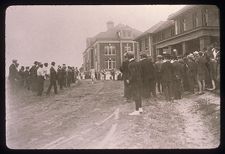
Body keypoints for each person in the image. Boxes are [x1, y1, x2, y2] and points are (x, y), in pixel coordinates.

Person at [127, 51, 143, 115]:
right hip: (139, 81)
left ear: (128, 57)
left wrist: (129, 80)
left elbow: (133, 74)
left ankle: (136, 110)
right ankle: (140, 108)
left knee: (135, 95)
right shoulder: (137, 63)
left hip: (135, 82)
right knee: (139, 95)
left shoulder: (130, 64)